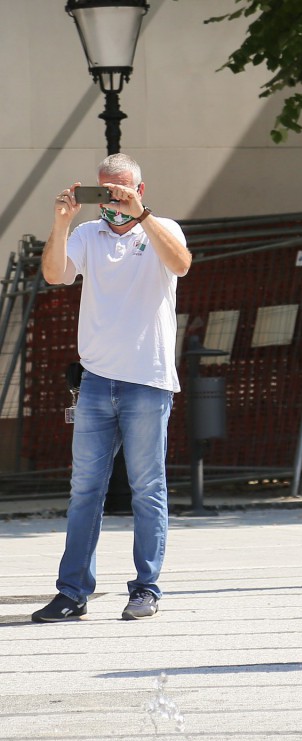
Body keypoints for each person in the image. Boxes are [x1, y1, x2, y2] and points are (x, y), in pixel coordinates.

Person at [33, 153, 192, 623]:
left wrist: (141, 216)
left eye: (119, 190)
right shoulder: (88, 234)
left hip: (148, 380)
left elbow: (181, 264)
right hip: (97, 380)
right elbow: (55, 275)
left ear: (139, 191)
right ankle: (72, 592)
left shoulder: (162, 228)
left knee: (148, 488)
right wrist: (62, 222)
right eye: (103, 190)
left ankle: (146, 588)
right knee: (84, 489)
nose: (111, 200)